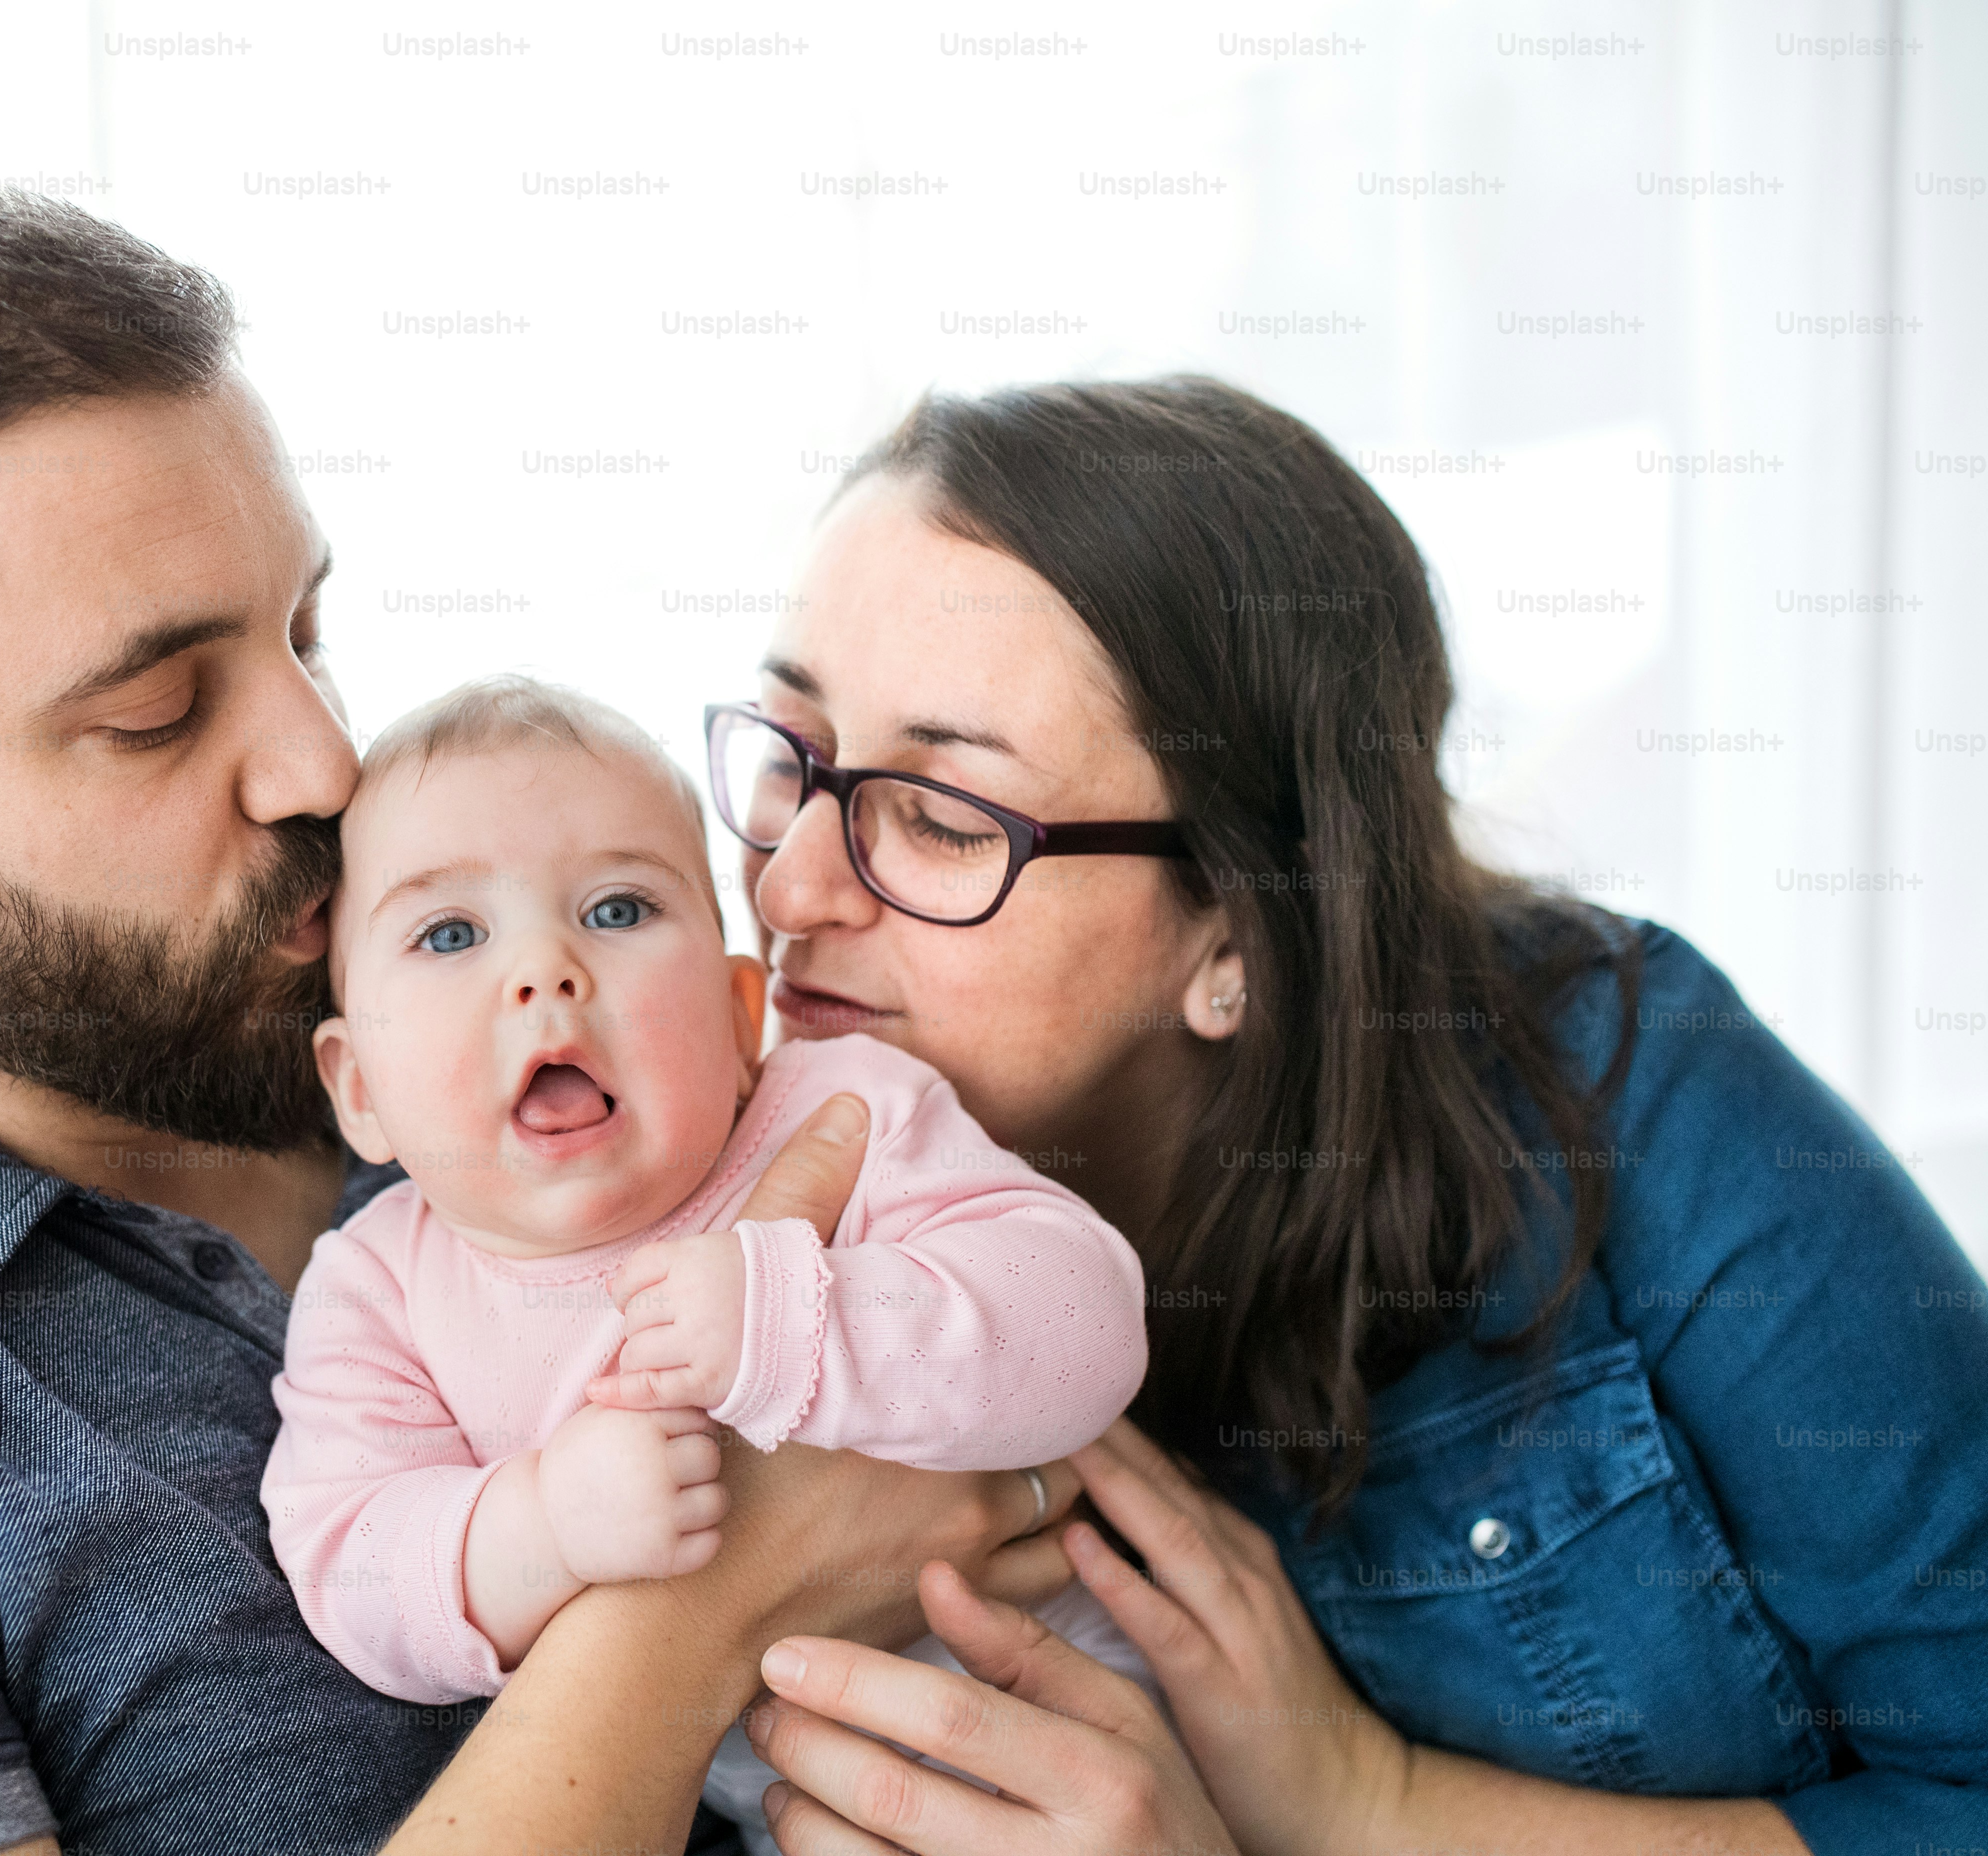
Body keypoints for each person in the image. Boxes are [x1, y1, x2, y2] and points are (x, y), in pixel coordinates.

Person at [0, 181, 1074, 1856]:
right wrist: (695, 1608)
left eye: (306, 634)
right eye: (152, 711)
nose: (320, 766)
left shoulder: (627, 1072)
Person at [674, 377, 1988, 1854]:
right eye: (791, 757)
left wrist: (1375, 1810)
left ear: (1239, 934)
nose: (786, 888)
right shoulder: (683, 1206)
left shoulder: (1628, 1086)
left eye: (941, 817)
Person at [261, 676, 1159, 1842]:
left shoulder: (843, 1111)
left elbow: (1088, 1323)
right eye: (449, 934)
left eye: (620, 909)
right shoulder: (376, 1285)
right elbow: (346, 1558)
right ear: (359, 1088)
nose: (545, 970)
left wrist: (802, 1320)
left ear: (744, 1019)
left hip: (1081, 1737)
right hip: (791, 1811)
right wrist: (536, 1524)